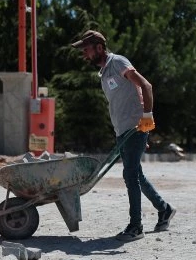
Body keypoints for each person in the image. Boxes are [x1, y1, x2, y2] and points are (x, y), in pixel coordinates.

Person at [71, 30, 175, 241]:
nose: (84, 55)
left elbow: (145, 85)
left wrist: (146, 117)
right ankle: (164, 209)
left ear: (99, 47)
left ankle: (136, 226)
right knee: (136, 174)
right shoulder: (104, 73)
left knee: (130, 174)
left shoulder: (118, 63)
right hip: (124, 131)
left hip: (135, 127)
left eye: (87, 50)